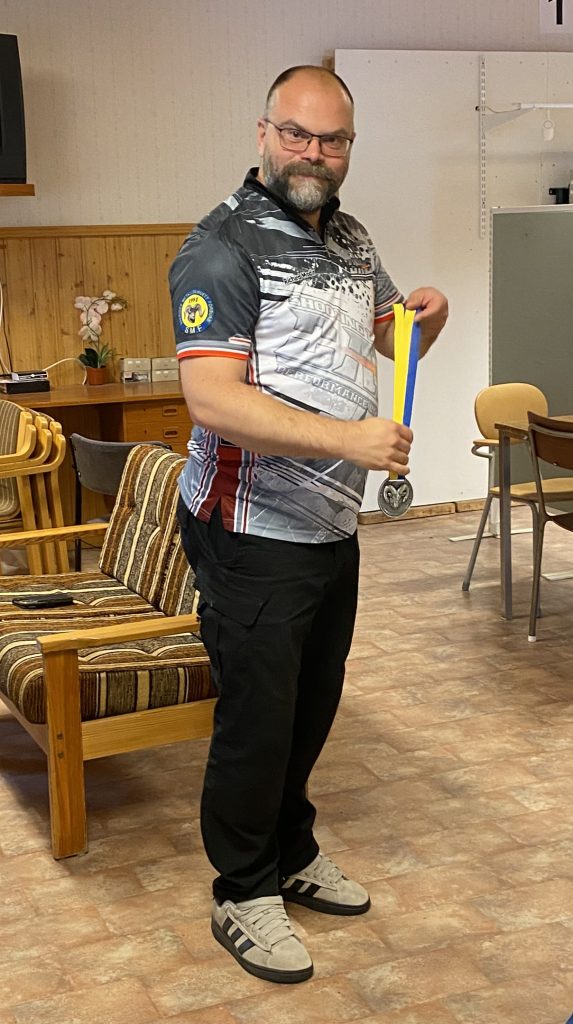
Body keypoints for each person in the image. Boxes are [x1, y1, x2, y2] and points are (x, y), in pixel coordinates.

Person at [170, 65, 448, 985]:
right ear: (263, 133)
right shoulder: (220, 248)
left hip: (330, 525)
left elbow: (392, 338)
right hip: (248, 527)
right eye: (297, 134)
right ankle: (241, 889)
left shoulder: (350, 237)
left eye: (332, 141)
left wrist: (427, 317)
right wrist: (348, 440)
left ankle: (290, 851)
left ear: (348, 148)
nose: (313, 154)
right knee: (257, 719)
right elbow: (212, 400)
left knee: (310, 705)